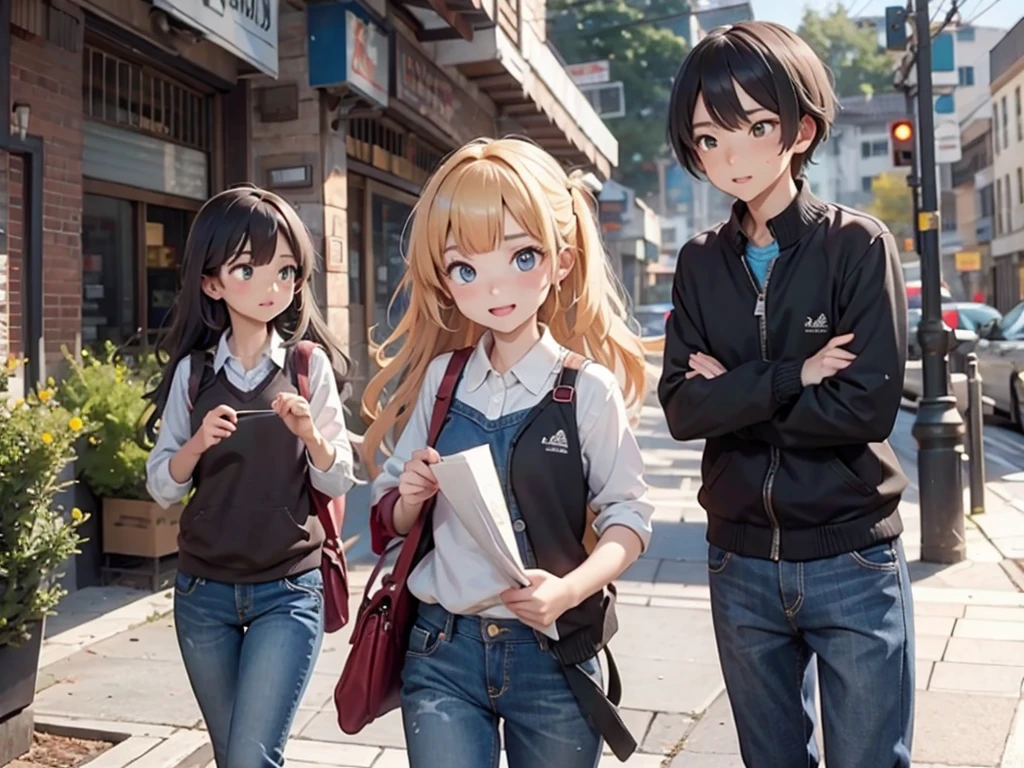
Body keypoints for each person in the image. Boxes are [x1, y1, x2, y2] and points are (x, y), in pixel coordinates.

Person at [659, 22, 913, 768]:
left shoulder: (857, 246)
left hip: (852, 558)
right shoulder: (698, 262)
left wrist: (734, 397)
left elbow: (864, 410)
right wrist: (791, 376)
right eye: (709, 138)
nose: (730, 155)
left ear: (800, 129)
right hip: (737, 562)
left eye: (755, 126)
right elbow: (681, 409)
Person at [360, 137, 654, 767]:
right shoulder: (443, 379)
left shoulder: (586, 391)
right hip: (443, 647)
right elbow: (388, 513)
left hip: (551, 653)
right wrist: (410, 495)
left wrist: (568, 590)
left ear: (562, 259)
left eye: (520, 255)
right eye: (465, 268)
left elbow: (630, 520)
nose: (494, 286)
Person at [144, 185, 356, 768]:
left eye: (285, 270)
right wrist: (196, 443)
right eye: (247, 268)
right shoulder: (193, 375)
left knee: (250, 760)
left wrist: (312, 436)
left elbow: (341, 481)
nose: (272, 286)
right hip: (201, 594)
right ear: (212, 283)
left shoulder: (309, 368)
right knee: (230, 756)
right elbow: (162, 484)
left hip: (288, 592)